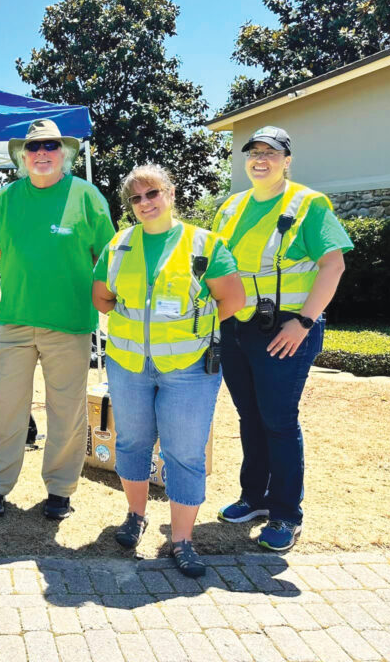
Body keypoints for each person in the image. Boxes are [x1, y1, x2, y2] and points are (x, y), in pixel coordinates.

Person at [92, 164, 244, 576]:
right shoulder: (119, 245)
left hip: (189, 370)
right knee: (132, 445)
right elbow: (102, 298)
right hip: (128, 366)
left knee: (185, 455)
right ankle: (135, 516)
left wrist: (191, 331)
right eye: (136, 198)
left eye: (152, 193)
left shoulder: (204, 244)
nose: (145, 203)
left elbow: (232, 300)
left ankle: (182, 541)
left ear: (171, 193)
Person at [213, 126, 352, 552]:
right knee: (250, 418)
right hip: (237, 328)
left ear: (286, 160)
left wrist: (305, 323)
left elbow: (333, 266)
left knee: (278, 421)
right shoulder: (231, 207)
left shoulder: (308, 203)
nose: (260, 159)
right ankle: (254, 498)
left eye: (270, 153)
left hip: (286, 331)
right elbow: (215, 267)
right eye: (253, 151)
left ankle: (287, 515)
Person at [0, 119, 115, 520]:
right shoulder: (6, 198)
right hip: (15, 322)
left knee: (66, 411)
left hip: (70, 323)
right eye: (34, 147)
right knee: (6, 409)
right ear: (23, 155)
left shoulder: (87, 197)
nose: (42, 154)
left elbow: (105, 259)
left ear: (65, 154)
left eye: (51, 146)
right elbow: (1, 254)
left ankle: (60, 490)